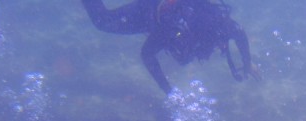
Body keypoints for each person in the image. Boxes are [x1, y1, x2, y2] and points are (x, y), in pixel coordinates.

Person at [81, 0, 259, 94]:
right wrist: (167, 90)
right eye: (215, 47)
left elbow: (240, 33)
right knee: (102, 21)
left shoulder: (219, 24)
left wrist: (248, 62)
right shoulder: (173, 30)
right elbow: (147, 54)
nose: (216, 50)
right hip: (148, 10)